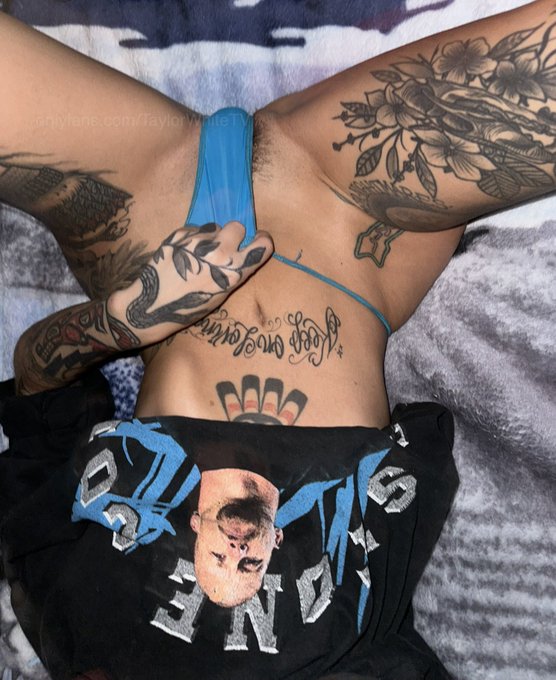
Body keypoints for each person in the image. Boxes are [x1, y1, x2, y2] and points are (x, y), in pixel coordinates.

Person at [0, 1, 553, 678]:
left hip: (145, 216)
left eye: (220, 556)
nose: (237, 550)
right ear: (277, 541)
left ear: (196, 529)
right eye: (250, 563)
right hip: (355, 224)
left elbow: (35, 382)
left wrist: (131, 317)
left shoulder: (75, 629)